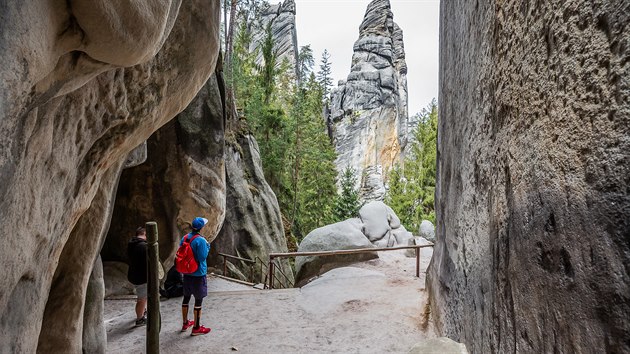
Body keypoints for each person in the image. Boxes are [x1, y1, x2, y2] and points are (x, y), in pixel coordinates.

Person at [180, 217, 211, 335]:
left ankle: (185, 323)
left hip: (187, 273)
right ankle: (196, 328)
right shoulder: (201, 240)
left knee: (186, 297)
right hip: (198, 273)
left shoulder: (185, 237)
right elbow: (202, 257)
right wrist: (208, 247)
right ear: (201, 228)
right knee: (198, 300)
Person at [127, 227, 148, 326]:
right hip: (141, 277)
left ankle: (143, 311)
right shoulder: (143, 246)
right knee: (142, 299)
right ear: (144, 234)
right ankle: (140, 319)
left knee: (143, 297)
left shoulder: (132, 244)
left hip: (134, 274)